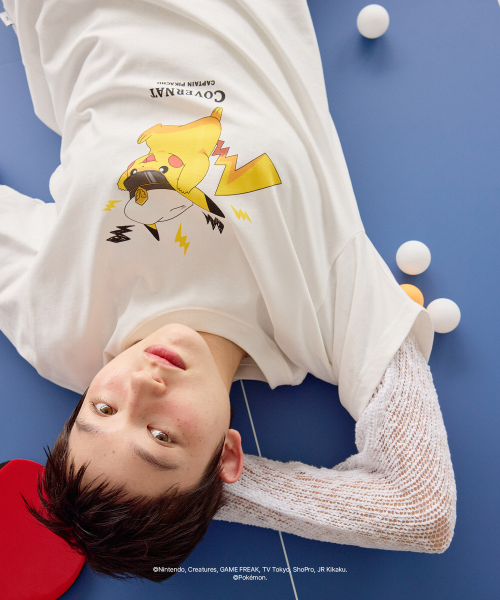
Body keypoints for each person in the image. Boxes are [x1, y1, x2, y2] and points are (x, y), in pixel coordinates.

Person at [0, 0, 456, 582]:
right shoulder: (324, 313)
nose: (141, 386)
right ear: (227, 455)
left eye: (103, 409)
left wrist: (177, 473)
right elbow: (422, 510)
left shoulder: (63, 333)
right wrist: (212, 491)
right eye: (160, 435)